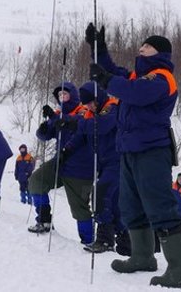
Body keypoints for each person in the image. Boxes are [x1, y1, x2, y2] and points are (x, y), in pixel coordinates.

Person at [88, 23, 181, 287]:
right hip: (130, 151)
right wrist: (98, 49)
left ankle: (180, 271)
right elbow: (114, 73)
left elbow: (134, 93)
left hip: (152, 151)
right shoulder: (137, 76)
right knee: (130, 205)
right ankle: (142, 257)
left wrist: (108, 81)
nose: (140, 48)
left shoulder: (161, 78)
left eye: (145, 45)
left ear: (158, 52)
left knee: (160, 205)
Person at [63, 81, 130, 255]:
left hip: (118, 160)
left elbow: (102, 126)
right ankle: (126, 239)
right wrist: (68, 149)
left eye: (90, 102)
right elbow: (80, 135)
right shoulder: (90, 114)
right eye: (86, 104)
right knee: (113, 202)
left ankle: (105, 239)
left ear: (98, 98)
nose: (88, 106)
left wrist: (76, 123)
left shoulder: (112, 107)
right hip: (104, 163)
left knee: (101, 192)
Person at [28, 82, 96, 247]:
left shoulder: (83, 111)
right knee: (37, 180)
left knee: (79, 207)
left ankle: (88, 240)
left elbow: (76, 124)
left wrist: (55, 118)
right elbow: (45, 135)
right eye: (59, 96)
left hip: (80, 166)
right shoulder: (58, 114)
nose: (62, 98)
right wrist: (45, 127)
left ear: (73, 95)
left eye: (65, 94)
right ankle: (44, 219)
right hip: (60, 160)